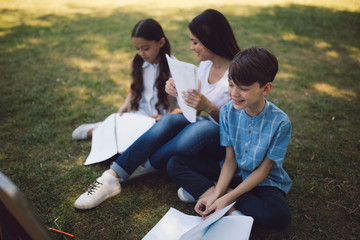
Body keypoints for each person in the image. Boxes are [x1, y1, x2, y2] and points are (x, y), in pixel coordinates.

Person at [74, 9, 240, 210]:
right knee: (169, 121)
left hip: (227, 142)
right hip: (206, 132)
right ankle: (110, 177)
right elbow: (192, 108)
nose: (191, 47)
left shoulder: (237, 73)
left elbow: (242, 125)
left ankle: (136, 167)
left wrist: (209, 107)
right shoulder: (206, 65)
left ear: (211, 39)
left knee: (200, 129)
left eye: (195, 42)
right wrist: (178, 92)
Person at [167, 47, 292, 231]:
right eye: (231, 84)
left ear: (266, 88)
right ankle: (218, 194)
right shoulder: (226, 112)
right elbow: (230, 161)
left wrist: (226, 197)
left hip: (263, 182)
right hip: (233, 174)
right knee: (175, 163)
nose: (234, 93)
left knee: (279, 217)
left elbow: (262, 172)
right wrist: (218, 193)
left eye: (243, 89)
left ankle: (223, 195)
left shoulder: (281, 123)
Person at [71, 18, 177, 141]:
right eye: (137, 49)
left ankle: (102, 131)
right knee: (79, 133)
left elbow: (176, 104)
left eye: (145, 48)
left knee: (143, 137)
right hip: (138, 114)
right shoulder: (137, 63)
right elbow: (134, 90)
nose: (141, 53)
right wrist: (126, 104)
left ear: (161, 42)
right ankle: (102, 130)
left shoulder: (174, 66)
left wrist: (167, 119)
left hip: (158, 120)